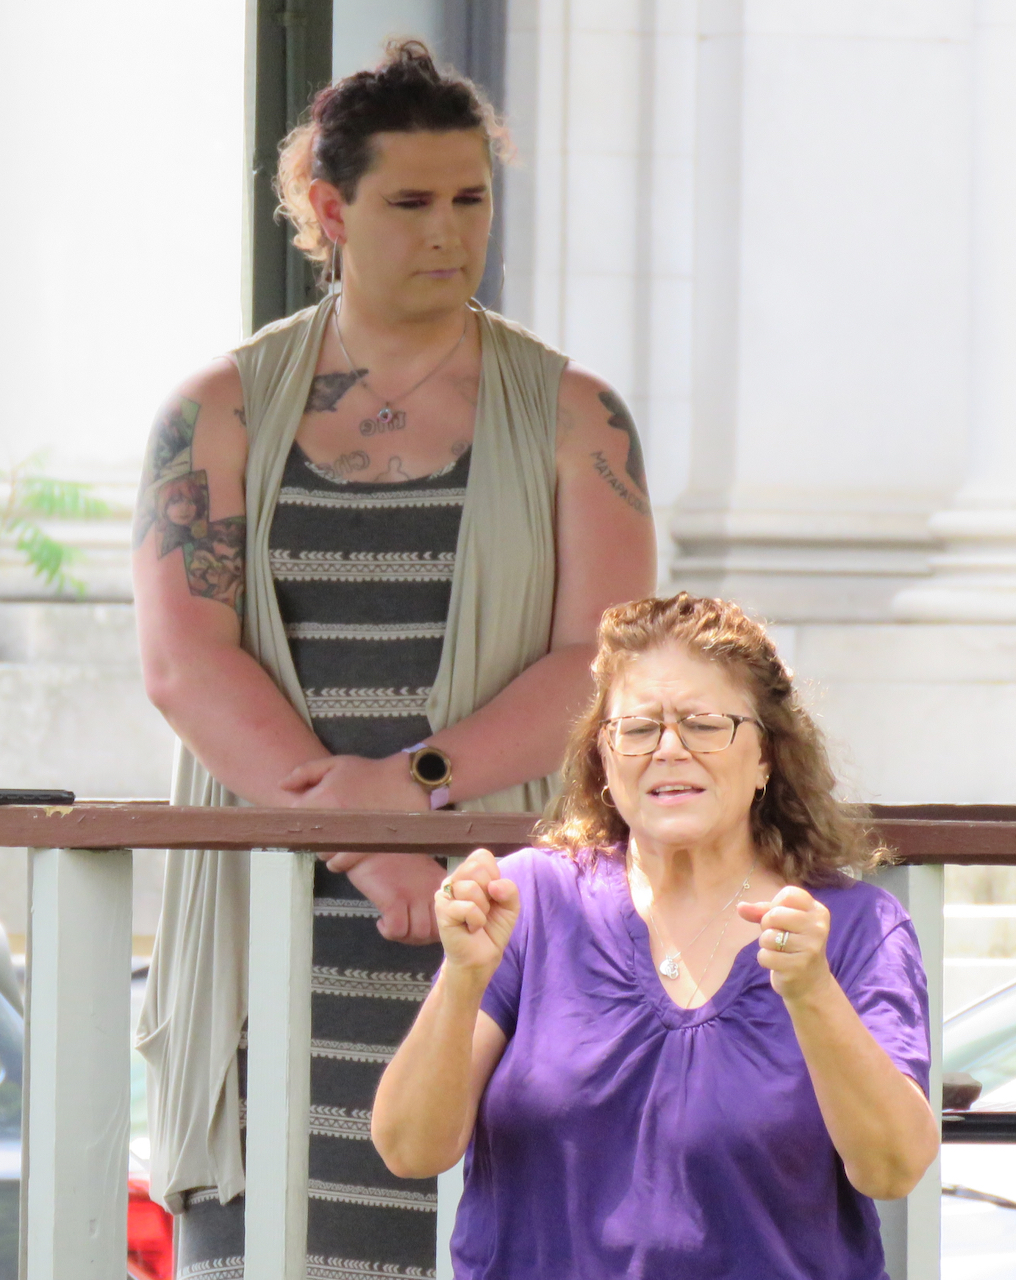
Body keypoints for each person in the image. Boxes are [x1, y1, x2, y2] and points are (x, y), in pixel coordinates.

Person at [132, 40, 655, 1277]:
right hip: (272, 923)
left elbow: (604, 656)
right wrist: (364, 841)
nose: (448, 231)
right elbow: (185, 659)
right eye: (410, 201)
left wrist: (414, 787)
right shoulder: (218, 409)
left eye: (470, 197)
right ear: (329, 210)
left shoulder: (573, 413)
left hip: (503, 909)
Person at [373, 593, 940, 1280]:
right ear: (604, 759)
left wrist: (812, 993)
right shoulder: (527, 900)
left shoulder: (857, 928)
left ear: (767, 755)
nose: (670, 749)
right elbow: (409, 1150)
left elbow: (892, 1170)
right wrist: (463, 980)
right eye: (639, 729)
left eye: (704, 725)